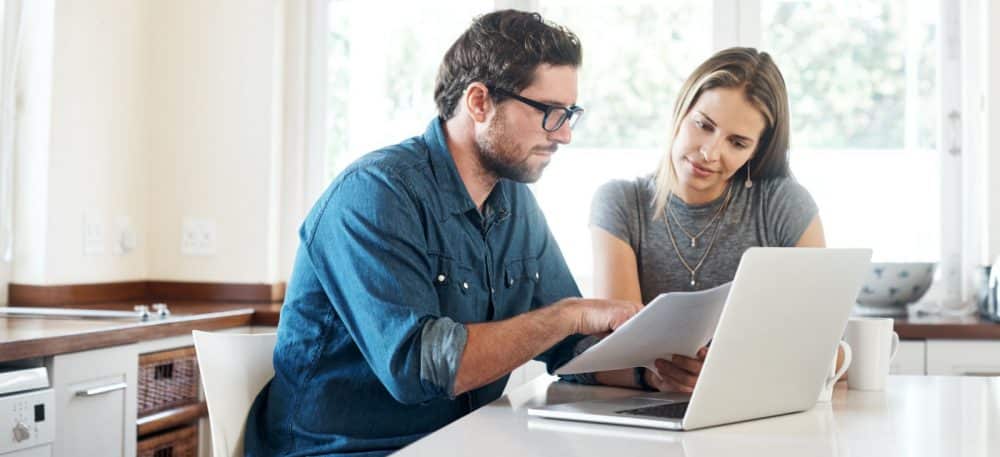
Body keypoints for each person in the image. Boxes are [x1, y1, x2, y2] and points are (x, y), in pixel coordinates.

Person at [244, 10, 640, 457]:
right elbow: (419, 368)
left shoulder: (515, 203)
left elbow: (570, 346)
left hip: (461, 443)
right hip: (348, 450)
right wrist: (569, 314)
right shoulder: (376, 194)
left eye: (570, 113)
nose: (565, 134)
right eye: (549, 112)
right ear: (478, 102)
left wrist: (651, 373)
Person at [585, 47, 829, 393]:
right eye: (703, 125)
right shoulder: (621, 203)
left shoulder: (782, 204)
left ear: (756, 151)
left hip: (753, 408)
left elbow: (824, 344)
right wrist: (658, 378)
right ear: (681, 110)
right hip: (652, 415)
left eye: (737, 142)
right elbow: (620, 350)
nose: (710, 153)